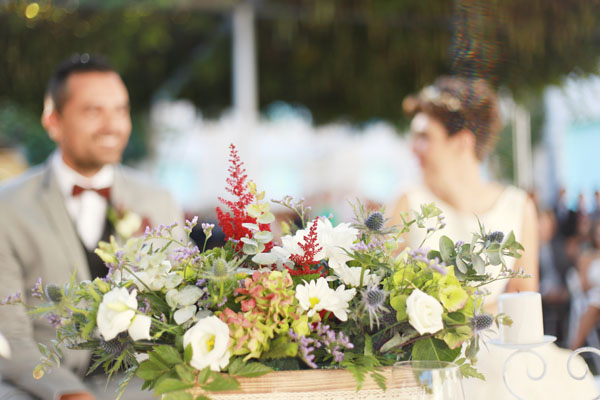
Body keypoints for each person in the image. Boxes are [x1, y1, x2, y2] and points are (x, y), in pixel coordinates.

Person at [390, 76, 597, 399]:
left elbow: (523, 307)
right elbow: (387, 295)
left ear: (462, 143)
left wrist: (462, 320)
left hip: (498, 359)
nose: (413, 148)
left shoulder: (518, 206)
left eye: (424, 137)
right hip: (426, 361)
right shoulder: (407, 202)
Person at [0, 54, 184, 400]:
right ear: (53, 120)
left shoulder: (158, 201)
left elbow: (177, 318)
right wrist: (66, 393)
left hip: (137, 387)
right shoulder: (7, 207)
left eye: (120, 110)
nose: (112, 125)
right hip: (38, 385)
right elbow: (7, 336)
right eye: (92, 111)